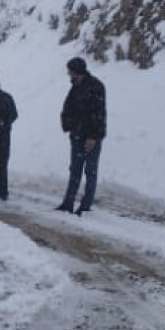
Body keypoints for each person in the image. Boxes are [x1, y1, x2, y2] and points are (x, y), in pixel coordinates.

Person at [56, 57, 106, 215]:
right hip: (77, 134)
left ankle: (85, 206)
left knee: (90, 171)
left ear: (77, 71)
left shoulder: (95, 86)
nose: (68, 74)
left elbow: (98, 114)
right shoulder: (76, 87)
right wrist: (67, 125)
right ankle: (68, 203)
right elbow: (68, 107)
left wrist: (92, 137)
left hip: (91, 137)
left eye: (70, 71)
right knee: (75, 169)